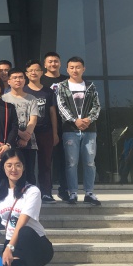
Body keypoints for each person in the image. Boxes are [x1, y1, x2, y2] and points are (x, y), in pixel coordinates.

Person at [55, 56, 101, 206]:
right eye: (72, 67)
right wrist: (75, 120)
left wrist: (88, 119)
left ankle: (89, 193)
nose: (75, 70)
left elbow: (97, 106)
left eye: (78, 67)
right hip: (70, 130)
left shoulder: (90, 86)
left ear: (83, 69)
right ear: (67, 69)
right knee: (71, 162)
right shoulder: (62, 86)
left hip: (89, 130)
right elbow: (61, 106)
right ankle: (73, 193)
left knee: (89, 162)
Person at [24, 60, 60, 203]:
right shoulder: (23, 91)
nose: (33, 73)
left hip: (46, 132)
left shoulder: (48, 92)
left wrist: (55, 133)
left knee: (45, 163)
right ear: (26, 74)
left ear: (41, 72)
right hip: (29, 133)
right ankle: (30, 193)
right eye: (30, 70)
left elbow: (52, 113)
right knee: (29, 164)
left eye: (36, 70)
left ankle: (46, 193)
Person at [2, 69, 39, 185]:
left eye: (21, 77)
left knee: (29, 172)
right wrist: (20, 134)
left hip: (29, 142)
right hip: (10, 142)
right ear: (9, 81)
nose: (18, 80)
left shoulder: (31, 98)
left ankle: (30, 194)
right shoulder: (3, 99)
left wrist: (26, 137)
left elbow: (33, 119)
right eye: (15, 78)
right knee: (11, 171)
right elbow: (6, 122)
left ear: (24, 80)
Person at [41, 51, 69, 201]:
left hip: (66, 125)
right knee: (46, 160)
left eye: (56, 61)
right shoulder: (40, 80)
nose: (53, 64)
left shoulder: (67, 80)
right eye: (50, 61)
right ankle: (46, 190)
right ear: (45, 64)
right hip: (46, 125)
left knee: (64, 159)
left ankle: (64, 190)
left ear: (60, 63)